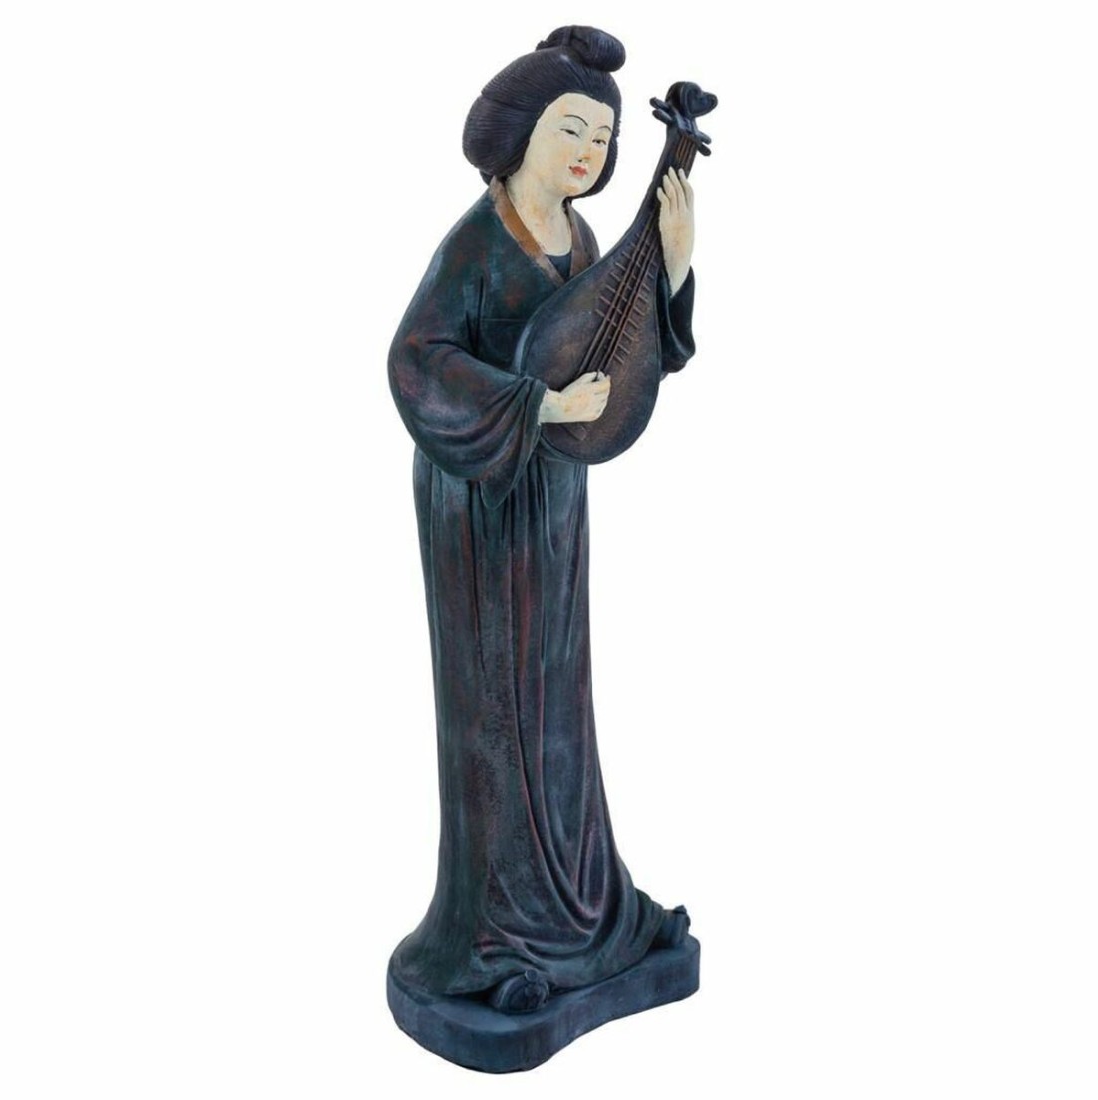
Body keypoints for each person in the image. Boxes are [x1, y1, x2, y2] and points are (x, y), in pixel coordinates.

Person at [388, 26, 697, 1015]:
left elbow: (626, 354)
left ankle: (583, 914)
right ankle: (492, 939)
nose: (587, 153)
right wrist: (533, 405)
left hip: (556, 501)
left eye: (602, 139)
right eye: (571, 129)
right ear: (519, 128)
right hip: (480, 502)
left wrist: (672, 268)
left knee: (559, 705)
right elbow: (416, 359)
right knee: (497, 710)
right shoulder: (476, 245)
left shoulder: (583, 241)